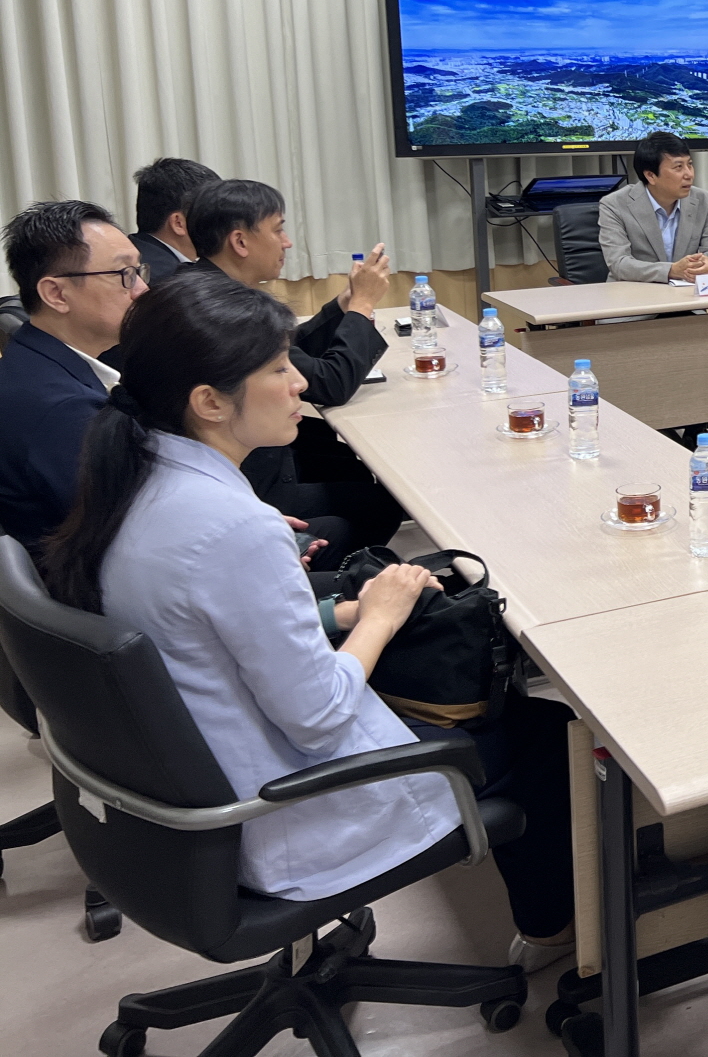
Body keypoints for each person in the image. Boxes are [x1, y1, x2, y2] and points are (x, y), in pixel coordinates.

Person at [37, 269, 575, 968]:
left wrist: (342, 606)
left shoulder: (136, 472)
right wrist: (377, 615)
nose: (300, 383)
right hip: (283, 809)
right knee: (544, 734)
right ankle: (558, 934)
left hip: (199, 780)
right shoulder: (232, 526)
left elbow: (219, 623)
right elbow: (318, 716)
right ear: (207, 400)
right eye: (279, 368)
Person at [185, 178, 404, 560]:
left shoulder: (203, 287)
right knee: (383, 498)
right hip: (251, 475)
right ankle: (344, 579)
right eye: (278, 229)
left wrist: (343, 305)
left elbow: (290, 348)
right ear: (240, 242)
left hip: (244, 451)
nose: (286, 242)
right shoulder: (219, 309)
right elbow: (328, 384)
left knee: (345, 456)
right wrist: (364, 306)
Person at [0, 201, 148, 549]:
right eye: (123, 274)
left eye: (140, 270)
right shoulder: (62, 409)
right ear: (56, 294)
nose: (141, 289)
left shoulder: (31, 360)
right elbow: (136, 535)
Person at [598, 132, 708, 282]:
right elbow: (619, 264)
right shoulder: (614, 204)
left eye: (690, 165)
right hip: (633, 295)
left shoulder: (703, 200)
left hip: (685, 295)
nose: (689, 174)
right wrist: (671, 271)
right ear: (651, 176)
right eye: (678, 167)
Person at [129, 156, 220, 279]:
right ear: (179, 223)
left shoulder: (135, 252)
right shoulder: (169, 281)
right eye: (213, 216)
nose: (223, 226)